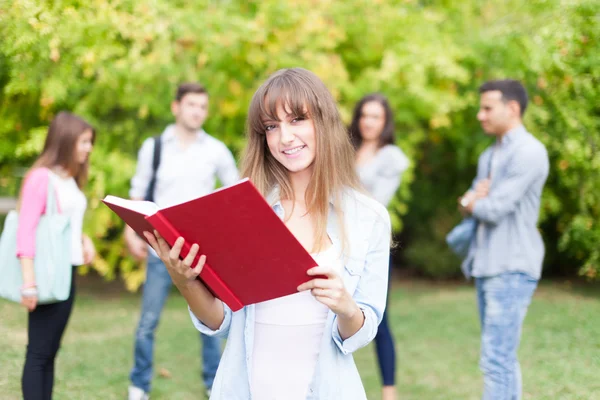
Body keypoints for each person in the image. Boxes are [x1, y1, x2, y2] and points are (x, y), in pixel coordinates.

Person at [143, 68, 391, 399]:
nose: (285, 137)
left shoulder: (369, 217)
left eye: (297, 119)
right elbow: (221, 322)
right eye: (272, 126)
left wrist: (346, 306)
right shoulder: (243, 209)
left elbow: (361, 332)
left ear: (325, 122)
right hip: (246, 388)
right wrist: (185, 281)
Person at [125, 83, 239, 400]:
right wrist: (129, 233)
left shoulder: (216, 150)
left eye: (203, 106)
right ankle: (139, 385)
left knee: (211, 321)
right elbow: (139, 191)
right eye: (191, 105)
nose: (198, 112)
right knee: (148, 322)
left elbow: (237, 193)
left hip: (202, 253)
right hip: (160, 249)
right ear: (177, 107)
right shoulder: (155, 146)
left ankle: (214, 382)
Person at [459, 79, 549, 400]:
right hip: (486, 264)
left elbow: (493, 208)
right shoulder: (488, 156)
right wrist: (471, 202)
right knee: (502, 358)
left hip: (511, 266)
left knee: (496, 359)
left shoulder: (530, 152)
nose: (480, 115)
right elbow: (470, 202)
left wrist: (472, 202)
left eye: (487, 108)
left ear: (512, 109)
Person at [17, 111, 97, 399]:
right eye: (84, 141)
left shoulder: (68, 178)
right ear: (65, 140)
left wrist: (84, 239)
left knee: (49, 351)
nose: (89, 148)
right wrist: (29, 283)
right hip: (47, 273)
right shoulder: (42, 178)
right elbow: (26, 229)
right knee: (38, 352)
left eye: (90, 142)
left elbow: (64, 225)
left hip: (68, 271)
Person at [349, 93, 409, 400]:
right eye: (365, 115)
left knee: (379, 319)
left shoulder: (391, 157)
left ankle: (389, 392)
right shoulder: (345, 150)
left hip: (372, 245)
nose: (369, 122)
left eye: (376, 117)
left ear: (385, 123)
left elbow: (377, 204)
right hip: (338, 241)